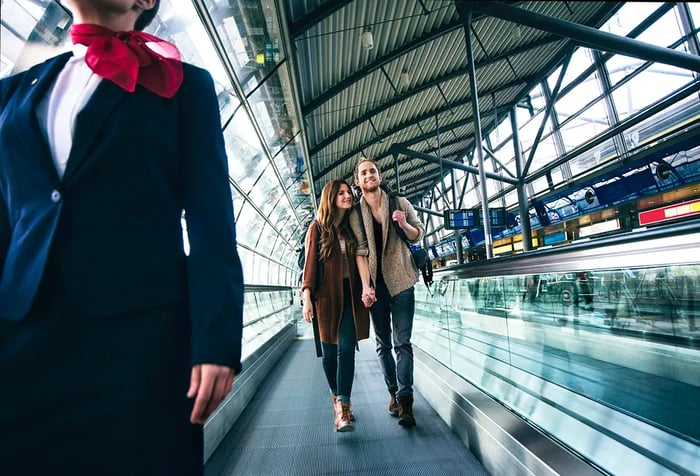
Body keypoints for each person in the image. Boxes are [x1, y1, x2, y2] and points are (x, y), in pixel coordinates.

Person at [0, 1, 244, 474]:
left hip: (140, 343)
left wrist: (216, 343)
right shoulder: (13, 93)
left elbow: (212, 224)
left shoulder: (184, 87)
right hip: (23, 339)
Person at [350, 158, 425, 428]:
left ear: (379, 176)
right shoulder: (356, 213)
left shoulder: (400, 203)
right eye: (364, 173)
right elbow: (359, 250)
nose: (369, 175)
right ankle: (393, 392)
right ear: (357, 182)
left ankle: (406, 401)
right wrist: (366, 286)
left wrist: (403, 224)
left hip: (402, 280)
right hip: (376, 287)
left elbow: (418, 234)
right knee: (383, 343)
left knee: (402, 342)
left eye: (373, 171)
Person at [301, 179, 373, 432]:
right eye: (341, 193)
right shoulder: (318, 228)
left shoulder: (350, 228)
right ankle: (336, 397)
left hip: (350, 297)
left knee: (346, 349)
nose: (347, 195)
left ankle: (343, 406)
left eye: (348, 192)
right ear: (330, 198)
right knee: (329, 354)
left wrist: (367, 287)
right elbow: (310, 264)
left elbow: (361, 256)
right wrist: (306, 297)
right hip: (326, 298)